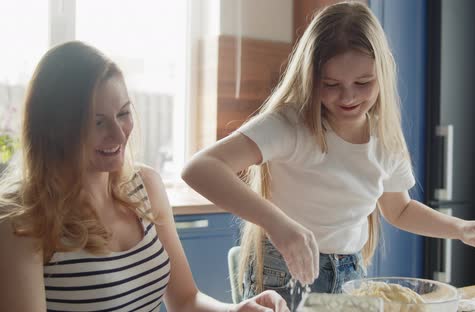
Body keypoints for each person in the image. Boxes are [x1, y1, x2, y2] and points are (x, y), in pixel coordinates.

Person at [181, 1, 475, 307]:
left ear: (383, 74)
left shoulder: (385, 136)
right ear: (311, 78)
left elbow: (400, 209)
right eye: (332, 84)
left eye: (363, 82)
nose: (348, 97)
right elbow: (199, 168)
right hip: (283, 272)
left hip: (351, 272)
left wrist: (460, 229)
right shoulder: (290, 124)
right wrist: (279, 225)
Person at [0, 41, 288, 312]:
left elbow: (186, 300)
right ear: (55, 128)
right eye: (97, 122)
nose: (117, 133)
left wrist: (236, 309)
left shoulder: (145, 187)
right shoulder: (21, 221)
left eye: (123, 113)